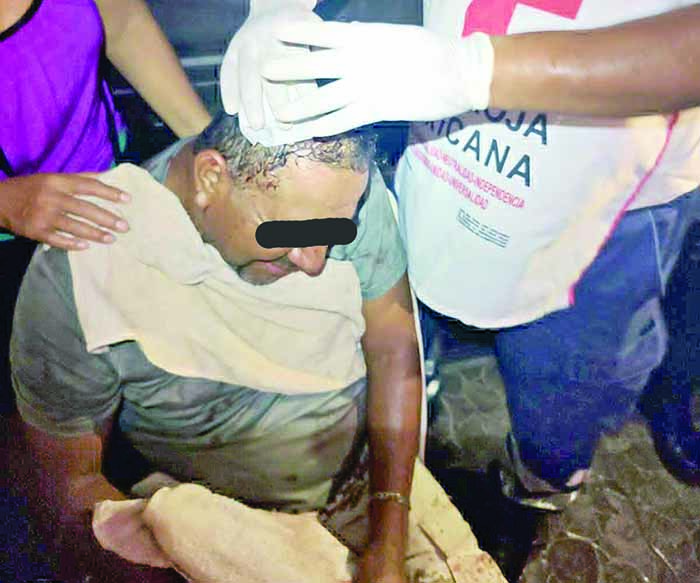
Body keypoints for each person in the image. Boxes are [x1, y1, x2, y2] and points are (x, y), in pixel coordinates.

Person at [221, 0, 700, 508]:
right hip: (444, 139)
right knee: (410, 306)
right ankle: (421, 412)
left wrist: (471, 70)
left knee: (568, 384)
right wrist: (278, 8)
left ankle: (537, 483)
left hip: (611, 194)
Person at [10, 111, 422, 583]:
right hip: (196, 521)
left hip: (365, 486)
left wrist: (389, 535)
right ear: (210, 178)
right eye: (291, 231)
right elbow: (71, 488)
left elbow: (392, 347)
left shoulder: (340, 189)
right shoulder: (86, 271)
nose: (313, 262)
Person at [0, 0, 211, 411]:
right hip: (12, 252)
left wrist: (207, 147)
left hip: (121, 175)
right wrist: (4, 202)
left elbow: (124, 22)